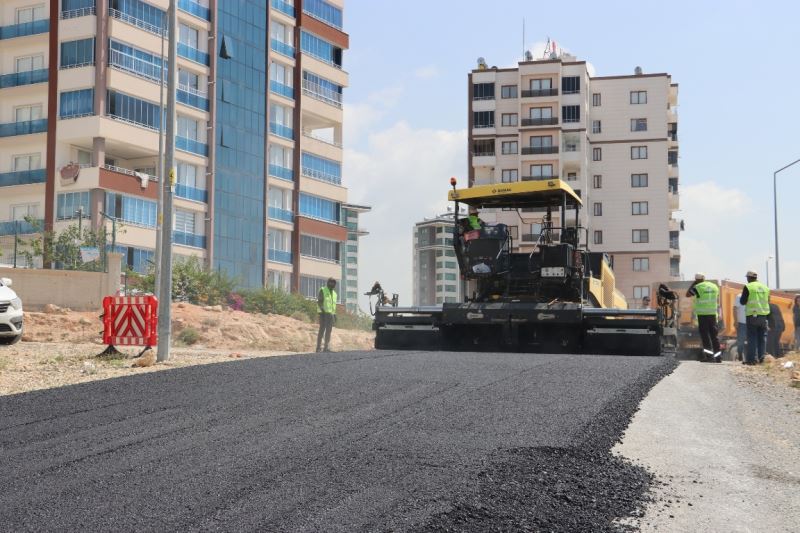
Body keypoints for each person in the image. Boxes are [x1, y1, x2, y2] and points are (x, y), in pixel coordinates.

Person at [686, 273, 722, 362]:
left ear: (696, 279)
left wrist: (694, 284)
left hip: (703, 315)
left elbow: (687, 294)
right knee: (714, 336)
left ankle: (709, 357)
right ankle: (718, 357)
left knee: (705, 336)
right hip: (713, 314)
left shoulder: (698, 287)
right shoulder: (714, 287)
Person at [739, 271, 770, 365]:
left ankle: (751, 360)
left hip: (752, 316)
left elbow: (742, 301)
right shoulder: (765, 288)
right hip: (763, 316)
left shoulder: (748, 287)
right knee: (762, 338)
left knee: (752, 338)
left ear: (749, 278)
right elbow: (768, 301)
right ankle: (762, 359)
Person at [316, 278, 337, 353]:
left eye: (333, 283)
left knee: (329, 331)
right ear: (328, 283)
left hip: (330, 314)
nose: (332, 284)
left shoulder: (334, 294)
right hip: (323, 313)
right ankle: (318, 348)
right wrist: (323, 310)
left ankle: (326, 347)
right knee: (322, 329)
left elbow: (333, 305)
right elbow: (320, 302)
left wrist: (334, 315)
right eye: (331, 282)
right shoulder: (323, 290)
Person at [733, 292, 747, 361]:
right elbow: (735, 309)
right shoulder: (739, 296)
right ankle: (740, 355)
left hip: (751, 322)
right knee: (740, 341)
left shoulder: (753, 296)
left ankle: (753, 357)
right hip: (741, 323)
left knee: (752, 341)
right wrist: (736, 321)